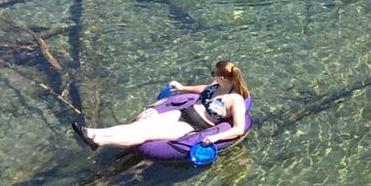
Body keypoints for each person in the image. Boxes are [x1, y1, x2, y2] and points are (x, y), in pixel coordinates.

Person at [74, 60, 250, 152]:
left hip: (193, 126)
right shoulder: (215, 85)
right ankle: (93, 132)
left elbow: (238, 129)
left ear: (222, 77)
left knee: (146, 133)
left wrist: (215, 138)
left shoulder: (235, 100)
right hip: (182, 113)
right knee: (140, 125)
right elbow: (203, 89)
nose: (212, 76)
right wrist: (182, 88)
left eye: (213, 73)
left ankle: (100, 141)